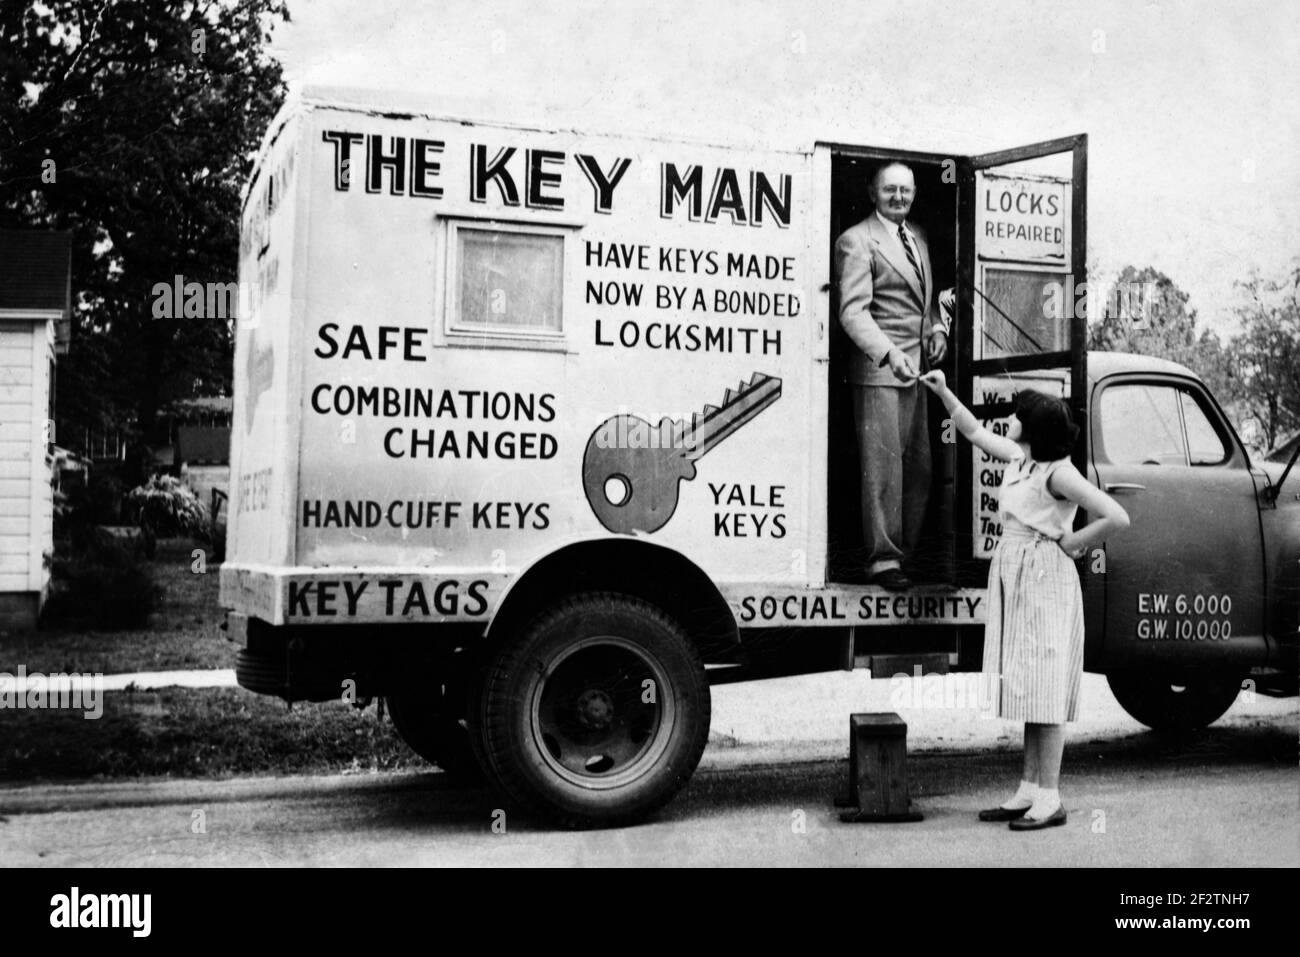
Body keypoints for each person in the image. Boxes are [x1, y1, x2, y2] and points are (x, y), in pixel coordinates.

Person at [918, 371, 1130, 830]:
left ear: (1033, 428)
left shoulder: (1059, 472)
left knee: (1046, 685)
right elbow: (973, 430)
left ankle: (1050, 798)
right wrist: (943, 391)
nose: (1009, 418)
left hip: (1045, 576)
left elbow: (1117, 516)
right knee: (1030, 684)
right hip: (1017, 574)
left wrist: (1073, 543)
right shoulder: (1020, 458)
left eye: (1017, 415)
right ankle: (1030, 789)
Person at [835, 162, 949, 590]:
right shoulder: (856, 240)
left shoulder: (916, 237)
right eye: (889, 190)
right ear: (872, 192)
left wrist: (936, 329)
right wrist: (887, 354)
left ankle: (907, 556)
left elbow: (926, 300)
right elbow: (852, 311)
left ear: (915, 193)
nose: (898, 197)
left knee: (918, 469)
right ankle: (883, 561)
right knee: (883, 471)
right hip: (881, 371)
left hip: (918, 368)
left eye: (905, 190)